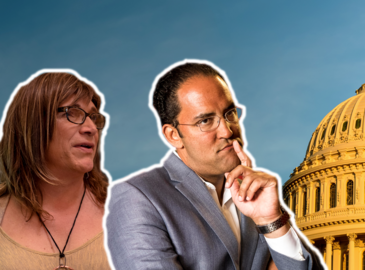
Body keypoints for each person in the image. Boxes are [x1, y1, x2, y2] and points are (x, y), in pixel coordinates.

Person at [106, 61, 324, 270]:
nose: (228, 131)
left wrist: (272, 220)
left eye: (229, 113)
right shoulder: (137, 198)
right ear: (173, 136)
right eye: (205, 121)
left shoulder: (257, 196)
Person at [0, 71, 111, 270]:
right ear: (32, 125)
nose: (91, 128)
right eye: (72, 113)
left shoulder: (128, 209)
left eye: (93, 117)